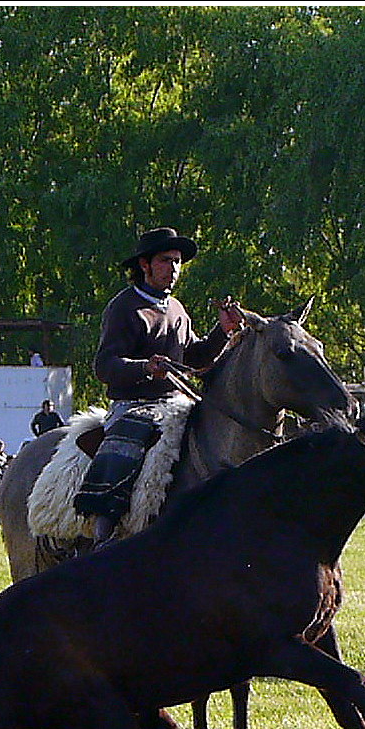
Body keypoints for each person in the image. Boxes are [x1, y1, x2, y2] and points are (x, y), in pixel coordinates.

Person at [75, 226, 243, 549]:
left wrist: (222, 332)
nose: (174, 269)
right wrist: (144, 368)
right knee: (129, 436)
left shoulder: (178, 309)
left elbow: (195, 357)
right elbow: (104, 366)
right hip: (132, 406)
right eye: (166, 261)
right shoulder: (123, 307)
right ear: (144, 265)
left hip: (176, 404)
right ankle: (102, 533)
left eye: (178, 262)